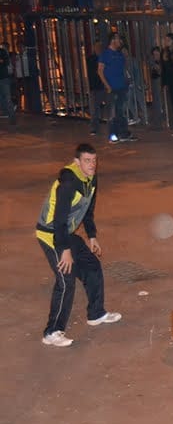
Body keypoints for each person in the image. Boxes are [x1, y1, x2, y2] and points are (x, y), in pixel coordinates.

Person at [35, 143, 121, 348]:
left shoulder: (91, 179)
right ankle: (52, 332)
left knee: (92, 266)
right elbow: (59, 219)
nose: (92, 165)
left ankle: (96, 314)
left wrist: (92, 236)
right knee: (66, 279)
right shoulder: (68, 181)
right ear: (77, 162)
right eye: (87, 161)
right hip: (51, 234)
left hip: (67, 233)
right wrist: (64, 250)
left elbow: (88, 211)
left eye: (94, 160)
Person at [97, 34, 133, 144]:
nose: (120, 41)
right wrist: (107, 86)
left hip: (122, 86)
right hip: (112, 88)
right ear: (112, 40)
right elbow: (100, 71)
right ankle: (113, 134)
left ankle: (123, 133)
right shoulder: (105, 54)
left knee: (121, 111)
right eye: (118, 39)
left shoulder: (119, 54)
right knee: (113, 113)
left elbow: (123, 69)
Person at [0, 40, 16, 127]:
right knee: (3, 99)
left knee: (7, 98)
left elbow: (6, 62)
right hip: (4, 77)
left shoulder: (2, 51)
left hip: (4, 78)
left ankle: (11, 116)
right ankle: (8, 112)